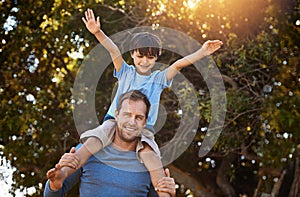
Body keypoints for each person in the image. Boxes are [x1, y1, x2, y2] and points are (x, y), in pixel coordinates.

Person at [52, 8, 223, 196]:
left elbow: (178, 64)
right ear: (133, 54)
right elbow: (113, 49)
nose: (144, 61)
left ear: (156, 57)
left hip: (145, 130)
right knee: (92, 143)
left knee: (152, 158)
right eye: (140, 56)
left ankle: (164, 193)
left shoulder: (159, 79)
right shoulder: (125, 72)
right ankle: (63, 174)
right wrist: (96, 32)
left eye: (150, 57)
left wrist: (202, 51)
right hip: (113, 122)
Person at [44, 90, 176, 197]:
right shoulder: (89, 151)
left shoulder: (148, 163)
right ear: (117, 115)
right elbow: (53, 193)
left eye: (138, 117)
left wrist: (169, 192)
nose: (132, 122)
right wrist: (54, 184)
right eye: (127, 115)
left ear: (145, 122)